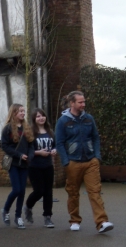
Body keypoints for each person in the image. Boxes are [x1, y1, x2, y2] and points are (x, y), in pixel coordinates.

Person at [55, 90, 114, 233]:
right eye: (80, 102)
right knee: (73, 193)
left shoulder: (89, 119)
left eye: (84, 101)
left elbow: (95, 138)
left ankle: (102, 222)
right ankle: (74, 220)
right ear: (72, 103)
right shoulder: (63, 121)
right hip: (72, 163)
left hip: (90, 161)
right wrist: (66, 162)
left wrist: (97, 156)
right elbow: (59, 143)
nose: (83, 104)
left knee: (95, 191)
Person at [1, 103, 34, 228]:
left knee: (22, 191)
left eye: (24, 111)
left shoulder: (27, 128)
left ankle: (18, 216)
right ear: (14, 113)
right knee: (17, 189)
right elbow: (5, 146)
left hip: (24, 164)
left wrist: (30, 156)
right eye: (20, 111)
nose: (23, 113)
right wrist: (19, 155)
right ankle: (5, 210)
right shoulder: (8, 129)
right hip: (13, 163)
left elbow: (31, 145)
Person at [24, 108, 56, 228]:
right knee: (39, 191)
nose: (41, 118)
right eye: (38, 116)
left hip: (48, 166)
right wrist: (39, 153)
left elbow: (56, 145)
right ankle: (28, 206)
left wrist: (54, 150)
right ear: (34, 119)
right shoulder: (30, 132)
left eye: (42, 116)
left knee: (48, 192)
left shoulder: (50, 132)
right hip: (34, 166)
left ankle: (47, 217)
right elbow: (26, 150)